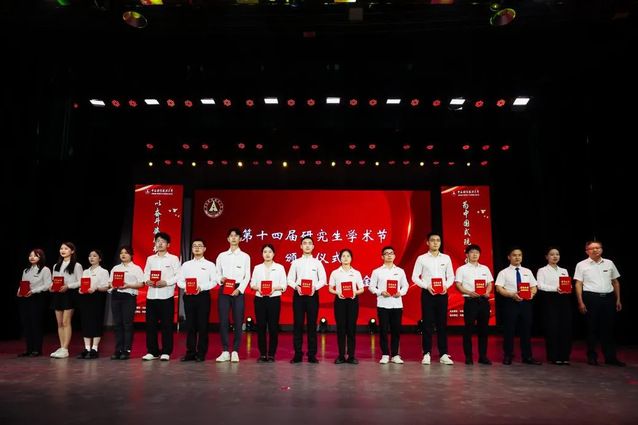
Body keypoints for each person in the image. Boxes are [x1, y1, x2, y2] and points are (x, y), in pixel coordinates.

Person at [574, 241, 625, 366]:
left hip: (608, 298)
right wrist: (580, 302)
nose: (595, 250)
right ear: (587, 251)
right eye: (592, 248)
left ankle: (610, 357)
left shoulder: (609, 263)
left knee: (609, 328)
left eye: (598, 248)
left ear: (601, 249)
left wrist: (618, 299)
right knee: (591, 328)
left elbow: (615, 282)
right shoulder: (581, 265)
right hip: (591, 298)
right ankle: (592, 356)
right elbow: (578, 283)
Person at [411, 232, 455, 366]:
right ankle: (426, 353)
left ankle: (443, 354)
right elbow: (414, 277)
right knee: (427, 324)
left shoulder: (446, 258)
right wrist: (426, 286)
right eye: (433, 240)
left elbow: (451, 276)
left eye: (438, 240)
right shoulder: (421, 258)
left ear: (440, 243)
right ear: (427, 243)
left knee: (442, 324)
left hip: (442, 294)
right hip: (427, 293)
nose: (435, 242)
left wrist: (446, 286)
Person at [495, 247, 541, 365]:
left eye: (519, 255)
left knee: (526, 330)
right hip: (510, 302)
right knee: (509, 330)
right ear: (509, 257)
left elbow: (534, 286)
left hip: (525, 303)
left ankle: (527, 356)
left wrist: (532, 294)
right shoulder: (503, 272)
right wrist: (511, 294)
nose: (517, 257)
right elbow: (499, 288)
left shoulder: (527, 271)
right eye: (514, 255)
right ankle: (508, 355)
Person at [287, 236, 327, 363]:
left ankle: (311, 355)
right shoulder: (295, 262)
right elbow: (289, 279)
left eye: (310, 243)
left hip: (312, 296)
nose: (307, 245)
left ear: (313, 246)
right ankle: (298, 354)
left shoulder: (318, 263)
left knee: (312, 324)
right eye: (305, 243)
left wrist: (315, 287)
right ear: (301, 246)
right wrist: (296, 286)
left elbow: (323, 280)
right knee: (298, 324)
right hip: (298, 295)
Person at [142, 232, 181, 361]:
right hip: (151, 296)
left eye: (163, 241)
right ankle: (152, 351)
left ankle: (166, 351)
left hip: (166, 296)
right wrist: (147, 280)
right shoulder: (150, 259)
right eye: (158, 241)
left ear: (168, 244)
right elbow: (145, 273)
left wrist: (167, 282)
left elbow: (178, 275)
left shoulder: (173, 259)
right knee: (150, 326)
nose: (160, 243)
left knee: (167, 325)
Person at [177, 238, 217, 362]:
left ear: (204, 249)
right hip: (189, 296)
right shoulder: (186, 265)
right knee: (190, 325)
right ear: (192, 249)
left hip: (203, 296)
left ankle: (201, 353)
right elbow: (179, 281)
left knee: (203, 325)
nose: (197, 248)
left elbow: (214, 282)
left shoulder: (210, 265)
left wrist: (201, 287)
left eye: (200, 246)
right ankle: (190, 352)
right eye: (195, 246)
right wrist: (186, 287)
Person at [215, 228, 251, 363]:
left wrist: (240, 290)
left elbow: (247, 276)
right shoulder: (221, 256)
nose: (234, 238)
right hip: (224, 288)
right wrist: (220, 279)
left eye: (236, 236)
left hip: (238, 289)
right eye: (231, 236)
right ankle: (225, 351)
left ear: (240, 239)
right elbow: (217, 272)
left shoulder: (245, 256)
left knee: (238, 320)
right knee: (223, 320)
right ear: (228, 239)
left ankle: (235, 351)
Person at [369, 246, 409, 364]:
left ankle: (395, 354)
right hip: (383, 304)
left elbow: (405, 286)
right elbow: (371, 287)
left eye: (391, 253)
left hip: (397, 304)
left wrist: (400, 292)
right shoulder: (377, 271)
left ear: (394, 256)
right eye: (386, 253)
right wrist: (380, 292)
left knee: (396, 330)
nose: (389, 255)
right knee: (383, 330)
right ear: (382, 257)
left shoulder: (400, 271)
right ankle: (385, 354)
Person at [454, 244, 494, 365]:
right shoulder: (461, 269)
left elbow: (490, 283)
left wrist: (487, 292)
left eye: (477, 252)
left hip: (484, 301)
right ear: (467, 255)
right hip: (470, 301)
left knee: (484, 329)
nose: (475, 254)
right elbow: (458, 285)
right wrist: (469, 292)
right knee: (468, 329)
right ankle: (468, 357)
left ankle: (483, 356)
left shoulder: (485, 268)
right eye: (472, 252)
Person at [250, 244, 287, 362]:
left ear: (273, 254)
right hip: (260, 299)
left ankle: (271, 354)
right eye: (265, 252)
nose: (267, 254)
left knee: (273, 327)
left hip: (274, 299)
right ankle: (262, 354)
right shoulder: (257, 268)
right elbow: (252, 284)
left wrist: (274, 288)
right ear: (262, 254)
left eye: (270, 252)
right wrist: (258, 288)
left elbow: (284, 285)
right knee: (260, 326)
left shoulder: (280, 267)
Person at [537, 247, 573, 365]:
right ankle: (554, 356)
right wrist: (555, 288)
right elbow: (540, 285)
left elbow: (567, 284)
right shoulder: (542, 270)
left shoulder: (564, 270)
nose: (555, 256)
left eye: (557, 254)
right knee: (552, 327)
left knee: (565, 327)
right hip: (550, 300)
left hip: (564, 300)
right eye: (552, 254)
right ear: (546, 257)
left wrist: (569, 287)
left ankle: (564, 356)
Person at [328, 249, 365, 365]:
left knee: (351, 328)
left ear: (351, 258)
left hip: (353, 301)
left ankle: (351, 356)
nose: (345, 258)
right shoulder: (335, 273)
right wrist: (337, 293)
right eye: (343, 256)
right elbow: (330, 288)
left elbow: (362, 289)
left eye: (348, 256)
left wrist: (355, 292)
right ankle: (341, 356)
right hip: (340, 301)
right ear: (340, 258)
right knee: (341, 328)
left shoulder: (356, 273)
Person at [108, 245, 144, 360]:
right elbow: (109, 282)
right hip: (116, 296)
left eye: (126, 253)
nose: (123, 255)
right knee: (117, 324)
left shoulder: (136, 268)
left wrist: (128, 285)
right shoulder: (115, 268)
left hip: (128, 297)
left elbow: (141, 283)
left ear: (131, 255)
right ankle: (118, 349)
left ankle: (126, 350)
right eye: (121, 253)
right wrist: (113, 285)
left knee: (127, 324)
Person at [50, 241, 83, 359]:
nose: (63, 250)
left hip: (69, 295)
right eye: (61, 248)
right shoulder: (56, 265)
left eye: (66, 248)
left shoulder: (77, 265)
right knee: (59, 323)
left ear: (72, 251)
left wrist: (68, 286)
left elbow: (80, 281)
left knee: (66, 321)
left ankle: (65, 348)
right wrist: (51, 286)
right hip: (58, 294)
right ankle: (61, 347)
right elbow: (54, 280)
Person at [17, 248, 51, 357]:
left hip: (37, 298)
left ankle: (37, 349)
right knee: (26, 323)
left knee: (36, 323)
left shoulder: (45, 270)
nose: (32, 257)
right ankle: (29, 349)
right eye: (30, 255)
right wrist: (19, 291)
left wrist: (33, 291)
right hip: (25, 298)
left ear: (41, 257)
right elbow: (23, 283)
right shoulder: (26, 270)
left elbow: (47, 285)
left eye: (35, 256)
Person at [77, 249, 110, 359]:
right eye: (90, 256)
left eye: (94, 256)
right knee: (86, 322)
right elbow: (82, 284)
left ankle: (94, 348)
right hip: (85, 298)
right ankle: (87, 348)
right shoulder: (85, 271)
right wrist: (80, 290)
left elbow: (106, 287)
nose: (91, 258)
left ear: (100, 258)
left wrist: (96, 288)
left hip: (97, 298)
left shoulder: (103, 271)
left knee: (96, 322)